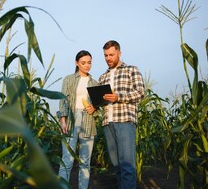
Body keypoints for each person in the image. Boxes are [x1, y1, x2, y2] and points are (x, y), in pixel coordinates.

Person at [98, 40, 145, 189]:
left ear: (119, 53)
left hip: (124, 120)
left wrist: (119, 97)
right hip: (107, 122)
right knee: (116, 166)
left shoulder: (131, 70)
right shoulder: (102, 77)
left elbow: (140, 93)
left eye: (111, 54)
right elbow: (101, 101)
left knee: (127, 165)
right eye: (105, 55)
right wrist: (95, 104)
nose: (108, 58)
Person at [57, 50, 98, 189]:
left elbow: (99, 106)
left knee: (85, 162)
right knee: (66, 161)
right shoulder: (68, 79)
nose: (87, 65)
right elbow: (62, 101)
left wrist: (95, 109)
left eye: (89, 62)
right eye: (83, 63)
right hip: (71, 120)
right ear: (76, 63)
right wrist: (62, 120)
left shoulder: (95, 83)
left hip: (88, 122)